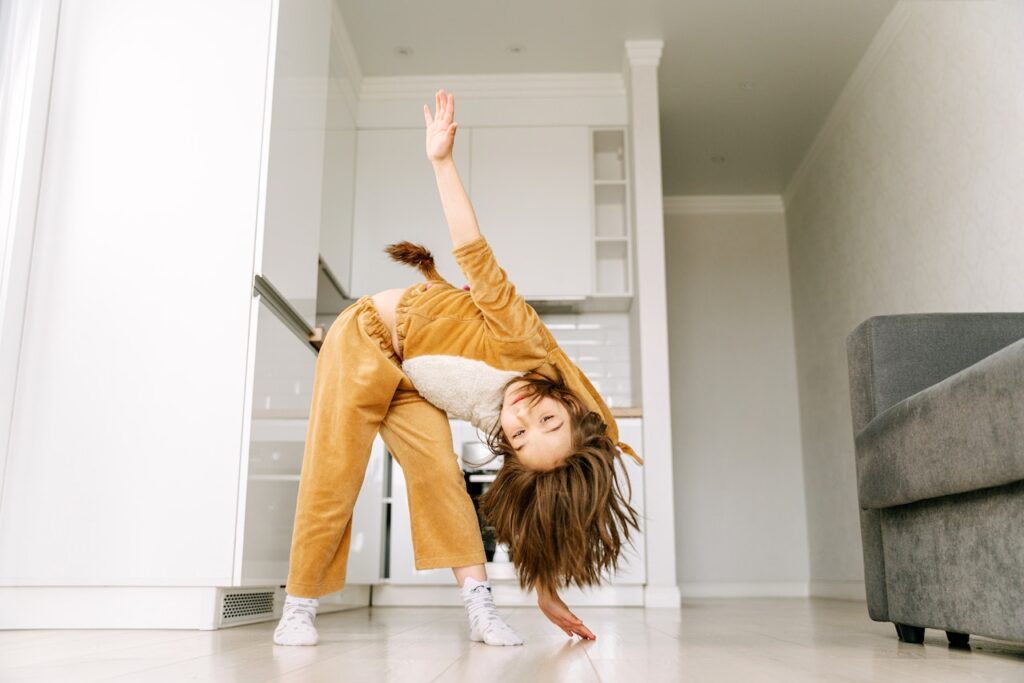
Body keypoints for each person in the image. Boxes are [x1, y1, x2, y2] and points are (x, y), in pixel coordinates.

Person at [273, 89, 643, 647]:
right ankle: (299, 605)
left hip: (411, 383)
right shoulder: (522, 340)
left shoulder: (519, 425)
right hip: (364, 338)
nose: (522, 417)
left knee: (442, 478)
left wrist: (544, 587)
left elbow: (550, 503)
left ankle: (480, 608)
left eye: (519, 435)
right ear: (568, 404)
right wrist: (442, 161)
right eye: (545, 419)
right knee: (336, 469)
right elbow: (474, 252)